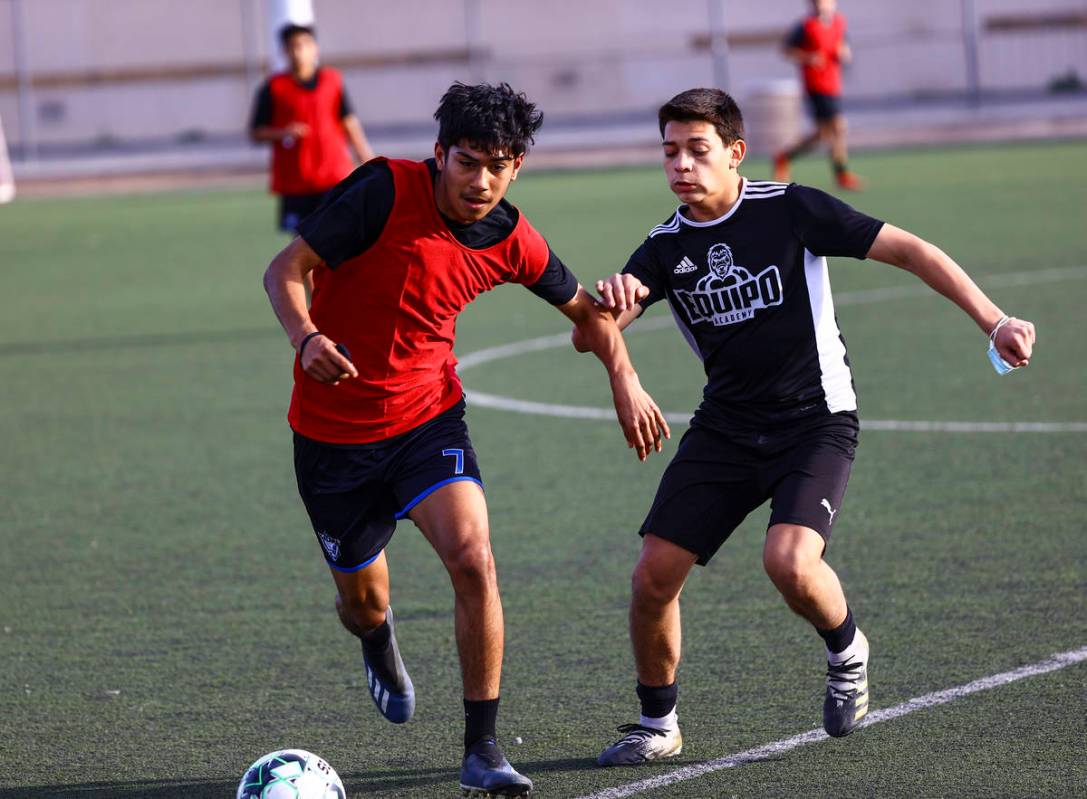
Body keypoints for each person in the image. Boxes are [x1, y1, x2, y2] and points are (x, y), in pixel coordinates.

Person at [585, 88, 1035, 765]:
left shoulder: (789, 209)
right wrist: (609, 323)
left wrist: (993, 319)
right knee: (653, 575)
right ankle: (658, 724)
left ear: (735, 154)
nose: (680, 165)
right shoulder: (663, 248)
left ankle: (847, 648)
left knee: (788, 562)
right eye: (669, 151)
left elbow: (909, 249)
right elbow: (590, 334)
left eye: (697, 150)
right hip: (726, 428)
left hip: (814, 421)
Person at [262, 82, 669, 796]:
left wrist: (622, 374)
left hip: (426, 420)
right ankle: (377, 639)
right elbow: (285, 269)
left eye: (500, 164)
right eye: (468, 162)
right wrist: (307, 337)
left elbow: (588, 316)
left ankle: (481, 748)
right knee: (360, 601)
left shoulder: (513, 236)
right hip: (332, 436)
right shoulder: (382, 191)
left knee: (474, 557)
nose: (481, 180)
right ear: (440, 153)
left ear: (517, 168)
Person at [250, 23, 375, 234]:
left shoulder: (332, 81)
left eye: (304, 45)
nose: (299, 52)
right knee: (302, 247)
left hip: (334, 177)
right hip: (296, 183)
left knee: (339, 240)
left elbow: (349, 122)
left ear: (314, 48)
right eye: (293, 46)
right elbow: (256, 132)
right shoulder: (273, 88)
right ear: (284, 51)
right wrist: (283, 132)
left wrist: (367, 160)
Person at [773, 0, 863, 190]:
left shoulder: (839, 23)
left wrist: (844, 53)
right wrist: (808, 57)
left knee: (822, 134)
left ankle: (784, 157)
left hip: (833, 84)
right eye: (816, 2)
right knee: (838, 127)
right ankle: (842, 174)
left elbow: (844, 47)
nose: (821, 5)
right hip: (816, 85)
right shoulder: (806, 26)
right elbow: (785, 49)